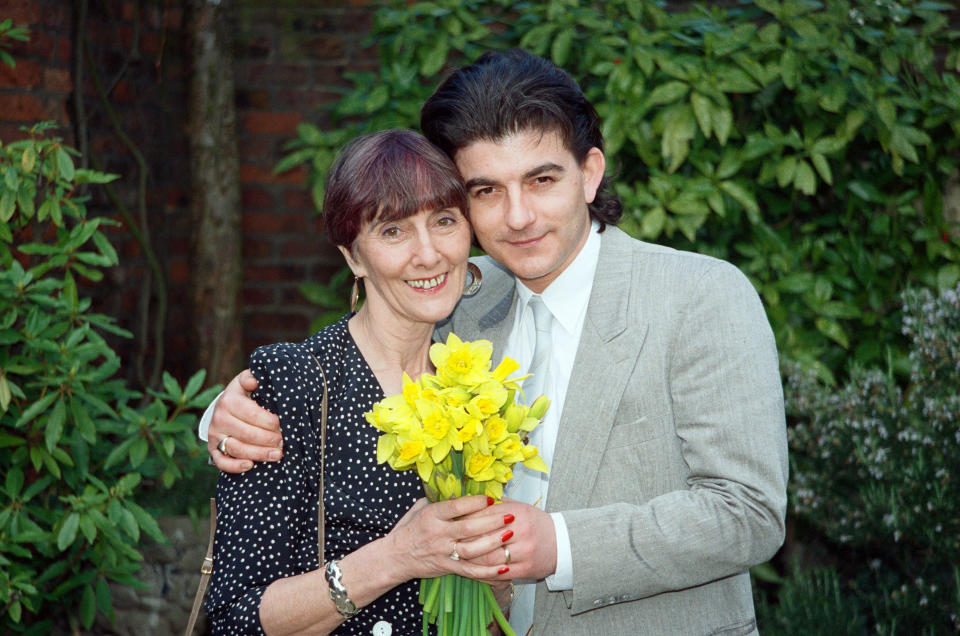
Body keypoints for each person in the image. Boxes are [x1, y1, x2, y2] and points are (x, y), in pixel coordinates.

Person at [203, 49, 788, 635]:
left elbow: (749, 512)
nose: (518, 217)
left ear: (589, 173)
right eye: (485, 191)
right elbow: (367, 348)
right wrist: (227, 414)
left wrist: (558, 544)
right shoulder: (464, 300)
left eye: (541, 180)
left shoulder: (700, 295)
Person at [204, 129, 517, 635]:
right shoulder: (296, 382)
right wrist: (398, 556)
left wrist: (494, 579)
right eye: (393, 231)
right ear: (353, 256)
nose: (429, 253)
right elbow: (236, 619)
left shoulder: (476, 378)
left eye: (443, 221)